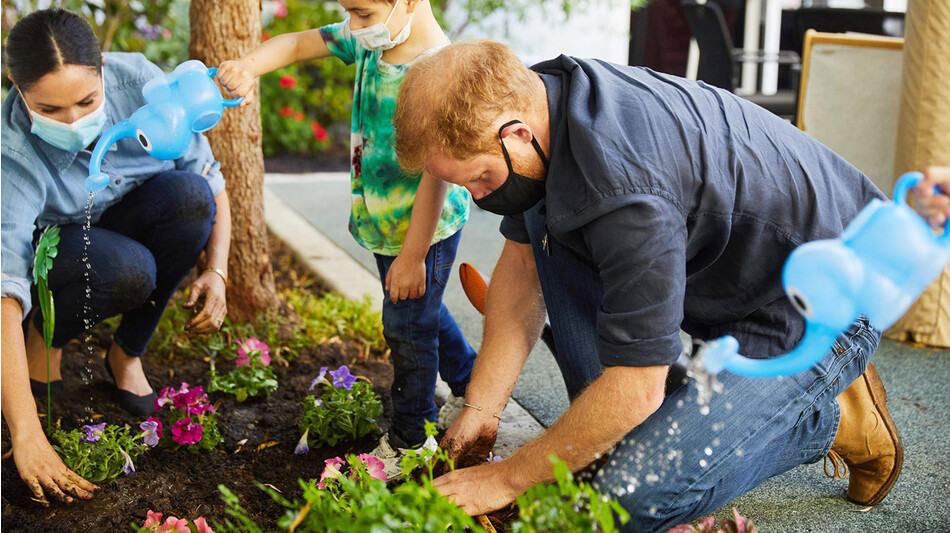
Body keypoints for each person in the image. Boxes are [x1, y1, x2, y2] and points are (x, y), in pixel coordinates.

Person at [392, 40, 950, 530]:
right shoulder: (539, 100)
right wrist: (482, 409)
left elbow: (637, 389)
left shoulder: (624, 184)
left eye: (481, 179)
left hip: (817, 312)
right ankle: (699, 408)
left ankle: (821, 419)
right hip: (732, 288)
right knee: (594, 440)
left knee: (623, 502)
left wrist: (508, 478)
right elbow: (522, 265)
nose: (481, 198)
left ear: (516, 133)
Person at [215, 0, 476, 448]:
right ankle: (470, 380)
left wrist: (413, 256)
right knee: (417, 308)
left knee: (407, 327)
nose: (353, 26)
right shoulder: (372, 39)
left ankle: (413, 438)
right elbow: (296, 44)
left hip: (422, 231)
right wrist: (247, 67)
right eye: (349, 13)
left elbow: (436, 178)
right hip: (386, 224)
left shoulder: (438, 74)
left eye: (362, 14)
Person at [1, 8, 231, 504]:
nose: (74, 120)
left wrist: (217, 271)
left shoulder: (143, 85)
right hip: (62, 251)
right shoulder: (11, 151)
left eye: (86, 101)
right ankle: (48, 334)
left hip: (129, 219)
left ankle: (127, 352)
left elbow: (210, 180)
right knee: (127, 269)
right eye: (51, 108)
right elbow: (4, 290)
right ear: (17, 87)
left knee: (190, 197)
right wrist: (26, 433)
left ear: (102, 67)